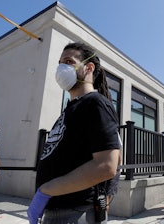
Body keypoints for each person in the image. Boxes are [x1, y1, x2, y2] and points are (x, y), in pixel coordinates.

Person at [27, 42, 121, 224]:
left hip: (76, 212)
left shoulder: (96, 103)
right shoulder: (71, 109)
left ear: (89, 68)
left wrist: (45, 191)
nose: (62, 67)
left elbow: (107, 166)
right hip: (58, 211)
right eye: (60, 62)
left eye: (69, 62)